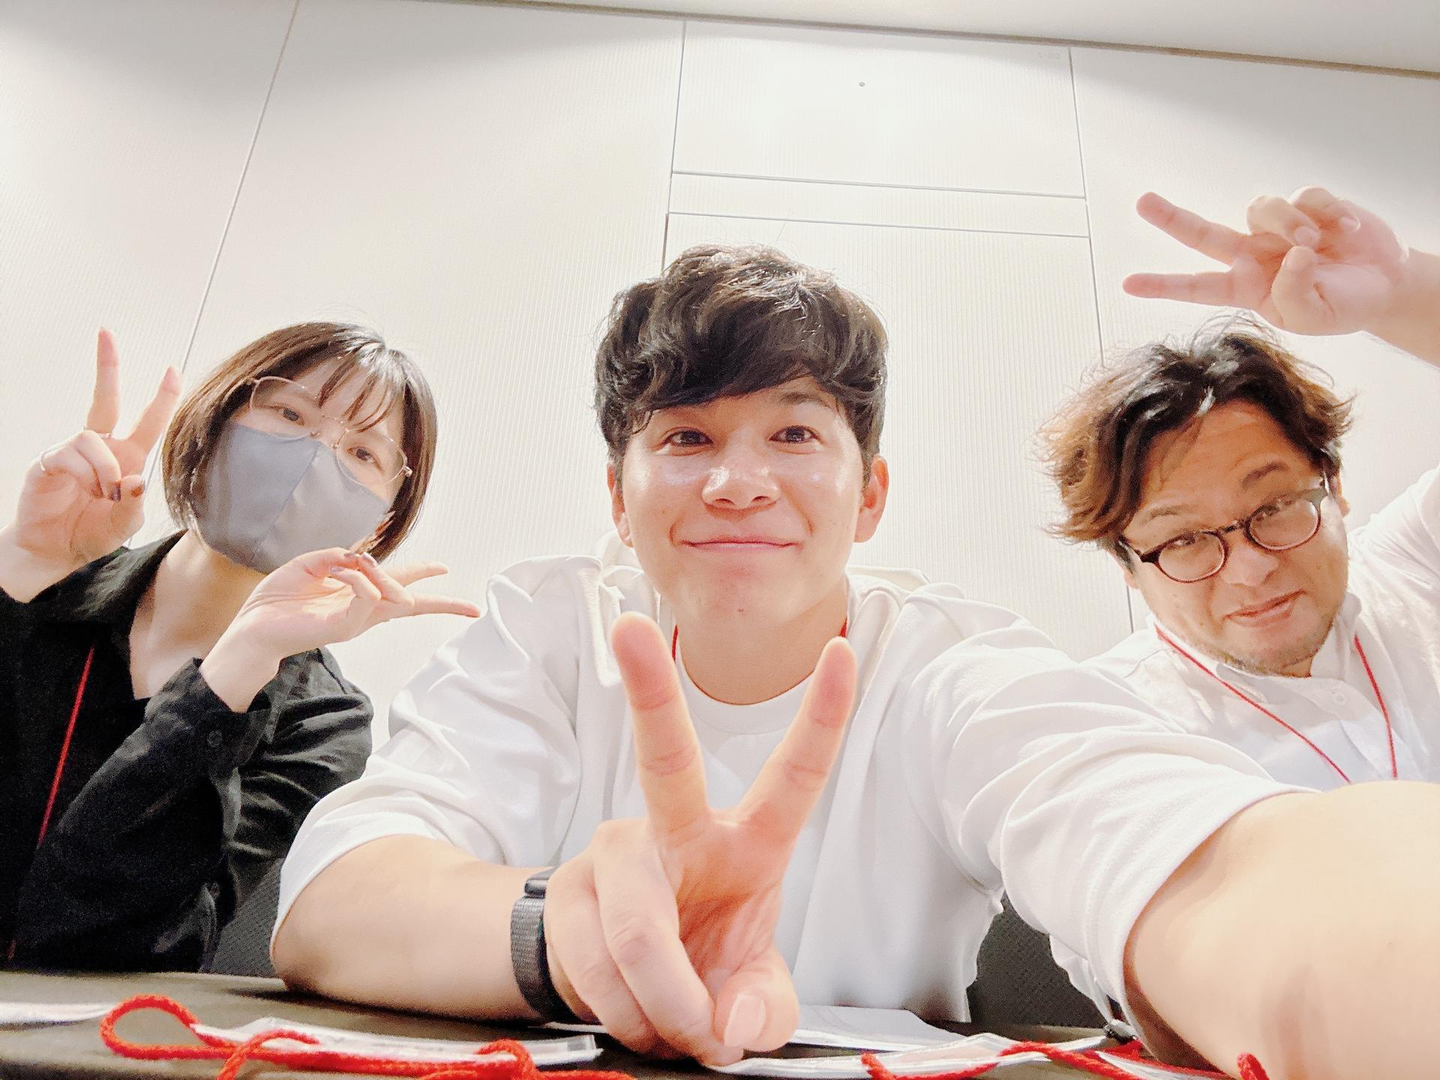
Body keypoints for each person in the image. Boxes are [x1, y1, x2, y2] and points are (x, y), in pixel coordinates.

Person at [271, 246, 1315, 1071]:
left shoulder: (952, 666)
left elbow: (1182, 854)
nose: (738, 483)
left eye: (795, 435)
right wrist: (570, 934)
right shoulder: (550, 628)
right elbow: (332, 905)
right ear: (618, 498)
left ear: (871, 496)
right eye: (686, 438)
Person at [0, 322, 479, 971]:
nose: (314, 459)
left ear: (381, 524)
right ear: (216, 421)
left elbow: (133, 943)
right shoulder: (47, 588)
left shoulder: (324, 721)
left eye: (362, 453)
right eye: (291, 414)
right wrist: (22, 564)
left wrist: (238, 667)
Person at [1042, 187, 1440, 789]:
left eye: (1274, 506)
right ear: (1126, 563)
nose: (1251, 571)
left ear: (1332, 485)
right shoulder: (1110, 736)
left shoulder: (1418, 561)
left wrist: (1403, 290)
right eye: (1183, 540)